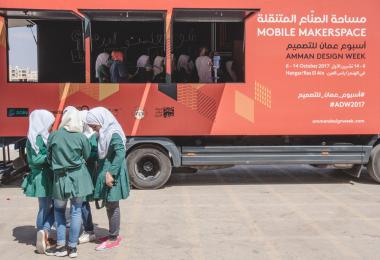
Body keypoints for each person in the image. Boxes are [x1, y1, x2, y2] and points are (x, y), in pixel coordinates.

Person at [45, 108, 94, 258]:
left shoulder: (54, 135)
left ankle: (61, 246)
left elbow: (48, 158)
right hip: (78, 178)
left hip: (60, 179)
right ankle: (72, 248)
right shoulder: (81, 137)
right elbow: (86, 155)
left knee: (59, 211)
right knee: (76, 211)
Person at [85, 107, 130, 251]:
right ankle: (113, 233)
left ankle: (113, 238)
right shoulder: (105, 133)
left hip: (113, 172)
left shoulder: (113, 133)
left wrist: (111, 173)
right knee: (109, 204)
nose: (94, 129)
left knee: (112, 204)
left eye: (94, 126)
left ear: (101, 121)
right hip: (107, 170)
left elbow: (120, 153)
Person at [21, 109, 55, 254]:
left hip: (43, 175)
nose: (51, 126)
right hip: (42, 177)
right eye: (49, 123)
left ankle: (42, 234)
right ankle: (42, 233)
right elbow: (35, 159)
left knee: (46, 206)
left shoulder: (37, 136)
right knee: (48, 207)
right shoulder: (37, 138)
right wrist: (52, 156)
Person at [77, 110, 97, 244]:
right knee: (80, 201)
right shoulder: (81, 135)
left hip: (88, 172)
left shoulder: (94, 136)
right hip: (81, 171)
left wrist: (84, 156)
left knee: (83, 201)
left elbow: (97, 154)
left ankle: (89, 230)